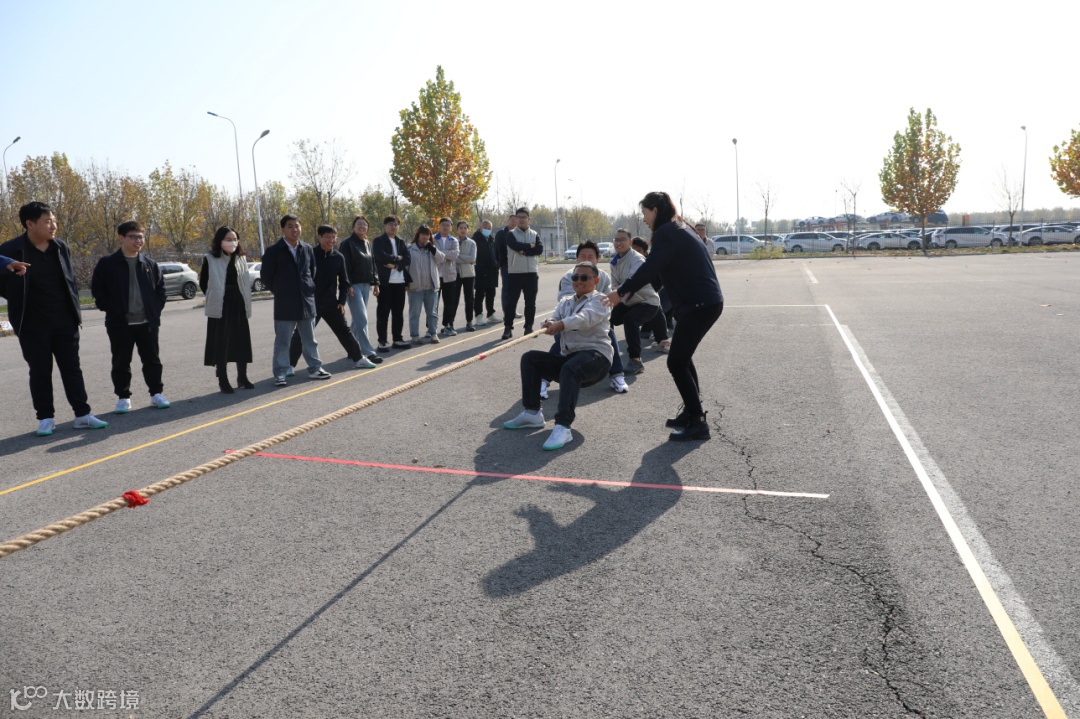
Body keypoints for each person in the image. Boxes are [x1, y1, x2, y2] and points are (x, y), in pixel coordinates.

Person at [605, 192, 724, 441]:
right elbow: (658, 274)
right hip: (704, 302)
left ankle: (697, 422)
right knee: (682, 358)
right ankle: (692, 412)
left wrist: (622, 291)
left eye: (645, 213)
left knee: (676, 362)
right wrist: (635, 295)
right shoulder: (678, 228)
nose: (644, 219)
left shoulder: (666, 232)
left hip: (700, 304)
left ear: (655, 210)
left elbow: (649, 268)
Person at [0, 201, 107, 435]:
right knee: (40, 371)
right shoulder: (10, 250)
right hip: (31, 324)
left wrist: (74, 312)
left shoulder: (60, 247)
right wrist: (17, 297)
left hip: (64, 320)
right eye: (47, 221)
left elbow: (69, 281)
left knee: (72, 368)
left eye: (54, 221)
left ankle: (82, 414)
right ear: (30, 224)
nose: (54, 226)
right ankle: (46, 418)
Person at [503, 261, 612, 451]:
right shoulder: (566, 301)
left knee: (571, 367)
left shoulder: (601, 300)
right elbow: (554, 317)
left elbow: (585, 319)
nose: (579, 281)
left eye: (584, 277)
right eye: (575, 277)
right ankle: (532, 414)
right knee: (530, 358)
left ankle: (563, 426)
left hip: (597, 358)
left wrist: (560, 325)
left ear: (596, 280)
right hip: (570, 358)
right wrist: (549, 321)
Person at [90, 220, 170, 410]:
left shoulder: (149, 264)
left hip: (147, 323)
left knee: (152, 360)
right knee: (121, 361)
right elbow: (98, 290)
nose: (138, 241)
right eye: (133, 237)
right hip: (120, 323)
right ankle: (123, 397)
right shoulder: (108, 264)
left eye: (141, 237)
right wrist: (111, 309)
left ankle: (156, 394)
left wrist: (154, 309)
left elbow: (161, 290)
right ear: (121, 238)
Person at [546, 240, 628, 397]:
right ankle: (544, 380)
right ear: (577, 259)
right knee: (561, 339)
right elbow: (565, 304)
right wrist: (550, 321)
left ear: (597, 260)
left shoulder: (603, 277)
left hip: (594, 321)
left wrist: (594, 313)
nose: (587, 259)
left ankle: (617, 375)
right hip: (570, 323)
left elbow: (606, 301)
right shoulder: (568, 277)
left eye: (591, 256)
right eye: (583, 256)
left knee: (609, 333)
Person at [260, 214, 331, 386]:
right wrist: (281, 291)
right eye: (290, 226)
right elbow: (266, 277)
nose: (294, 229)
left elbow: (312, 272)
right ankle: (281, 372)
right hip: (285, 303)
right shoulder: (273, 251)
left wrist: (307, 289)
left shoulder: (307, 248)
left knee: (309, 339)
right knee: (283, 341)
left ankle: (315, 368)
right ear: (283, 229)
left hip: (306, 301)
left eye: (297, 226)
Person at [289, 225, 373, 369]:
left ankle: (359, 359)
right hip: (311, 303)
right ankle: (289, 365)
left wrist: (341, 301)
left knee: (344, 331)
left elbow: (344, 281)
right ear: (319, 237)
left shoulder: (338, 257)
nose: (331, 240)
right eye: (327, 237)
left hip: (331, 303)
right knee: (301, 334)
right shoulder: (309, 254)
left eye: (334, 237)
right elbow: (300, 279)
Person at [199, 226, 255, 393]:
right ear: (220, 241)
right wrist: (215, 295)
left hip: (239, 302)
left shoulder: (241, 258)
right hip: (221, 305)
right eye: (228, 239)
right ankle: (223, 379)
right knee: (221, 343)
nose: (232, 242)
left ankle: (242, 377)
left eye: (235, 239)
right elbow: (204, 283)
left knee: (241, 341)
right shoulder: (210, 259)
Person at [607, 228, 659, 376]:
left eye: (622, 239)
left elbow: (632, 282)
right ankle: (607, 354)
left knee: (630, 320)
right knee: (606, 317)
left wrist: (619, 290)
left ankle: (636, 360)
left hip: (647, 302)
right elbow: (615, 284)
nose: (619, 243)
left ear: (630, 242)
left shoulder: (637, 259)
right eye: (616, 240)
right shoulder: (614, 262)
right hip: (628, 301)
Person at [338, 216, 383, 365]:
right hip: (353, 286)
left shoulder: (367, 243)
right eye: (359, 224)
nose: (362, 226)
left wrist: (376, 283)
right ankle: (368, 352)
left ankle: (353, 349)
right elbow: (344, 266)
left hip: (366, 284)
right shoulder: (347, 243)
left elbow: (373, 264)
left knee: (357, 320)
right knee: (362, 319)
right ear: (353, 226)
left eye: (364, 224)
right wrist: (348, 285)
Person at [502, 207, 543, 339]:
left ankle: (528, 327)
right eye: (518, 217)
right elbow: (514, 245)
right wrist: (530, 246)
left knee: (530, 303)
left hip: (531, 273)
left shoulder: (535, 234)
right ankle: (508, 328)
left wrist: (524, 251)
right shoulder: (511, 234)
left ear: (528, 219)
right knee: (511, 303)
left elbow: (539, 249)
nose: (521, 220)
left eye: (524, 217)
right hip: (515, 273)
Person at [373, 215, 411, 351]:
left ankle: (398, 339)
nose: (393, 227)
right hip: (385, 282)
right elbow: (381, 257)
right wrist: (397, 257)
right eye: (390, 224)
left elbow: (407, 259)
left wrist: (395, 265)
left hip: (400, 282)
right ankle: (382, 341)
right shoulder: (378, 241)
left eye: (396, 224)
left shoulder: (401, 241)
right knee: (383, 313)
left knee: (398, 313)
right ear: (385, 225)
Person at [406, 225, 445, 344]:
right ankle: (415, 336)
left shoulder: (432, 249)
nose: (425, 237)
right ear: (418, 235)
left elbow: (442, 259)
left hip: (431, 287)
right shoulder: (410, 248)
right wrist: (406, 283)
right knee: (414, 313)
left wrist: (432, 248)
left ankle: (433, 334)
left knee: (432, 313)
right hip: (415, 287)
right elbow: (405, 267)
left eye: (427, 234)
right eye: (422, 234)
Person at [633, 236, 670, 353]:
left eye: (638, 250)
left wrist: (652, 293)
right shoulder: (626, 260)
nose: (636, 253)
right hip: (633, 294)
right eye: (633, 250)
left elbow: (658, 282)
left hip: (656, 292)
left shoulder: (651, 262)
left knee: (655, 306)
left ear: (645, 251)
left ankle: (662, 339)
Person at [432, 217, 461, 335]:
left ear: (451, 227)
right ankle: (431, 328)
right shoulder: (432, 238)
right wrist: (447, 253)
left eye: (448, 225)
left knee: (449, 302)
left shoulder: (454, 240)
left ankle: (448, 325)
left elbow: (454, 255)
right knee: (433, 303)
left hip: (450, 276)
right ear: (439, 226)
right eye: (443, 225)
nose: (445, 227)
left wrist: (439, 253)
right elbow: (432, 254)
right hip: (435, 275)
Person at [472, 219, 500, 326]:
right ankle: (479, 316)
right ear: (480, 228)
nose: (487, 230)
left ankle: (491, 314)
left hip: (492, 271)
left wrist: (497, 264)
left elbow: (497, 254)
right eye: (485, 228)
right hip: (480, 271)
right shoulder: (475, 240)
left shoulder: (492, 240)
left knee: (491, 294)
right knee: (479, 295)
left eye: (489, 228)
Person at [455, 220, 477, 331]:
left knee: (469, 299)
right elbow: (451, 257)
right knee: (453, 299)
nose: (463, 230)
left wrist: (458, 256)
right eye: (461, 228)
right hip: (455, 273)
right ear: (457, 230)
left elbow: (472, 258)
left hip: (469, 274)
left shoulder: (472, 243)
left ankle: (469, 322)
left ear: (467, 230)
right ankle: (449, 323)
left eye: (465, 228)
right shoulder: (453, 242)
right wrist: (463, 258)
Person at [494, 213, 516, 318]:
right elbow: (497, 249)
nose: (514, 222)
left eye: (516, 221)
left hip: (517, 265)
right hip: (506, 265)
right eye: (512, 220)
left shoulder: (518, 233)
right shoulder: (501, 233)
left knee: (515, 289)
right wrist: (500, 263)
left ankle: (513, 310)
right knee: (507, 288)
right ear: (508, 221)